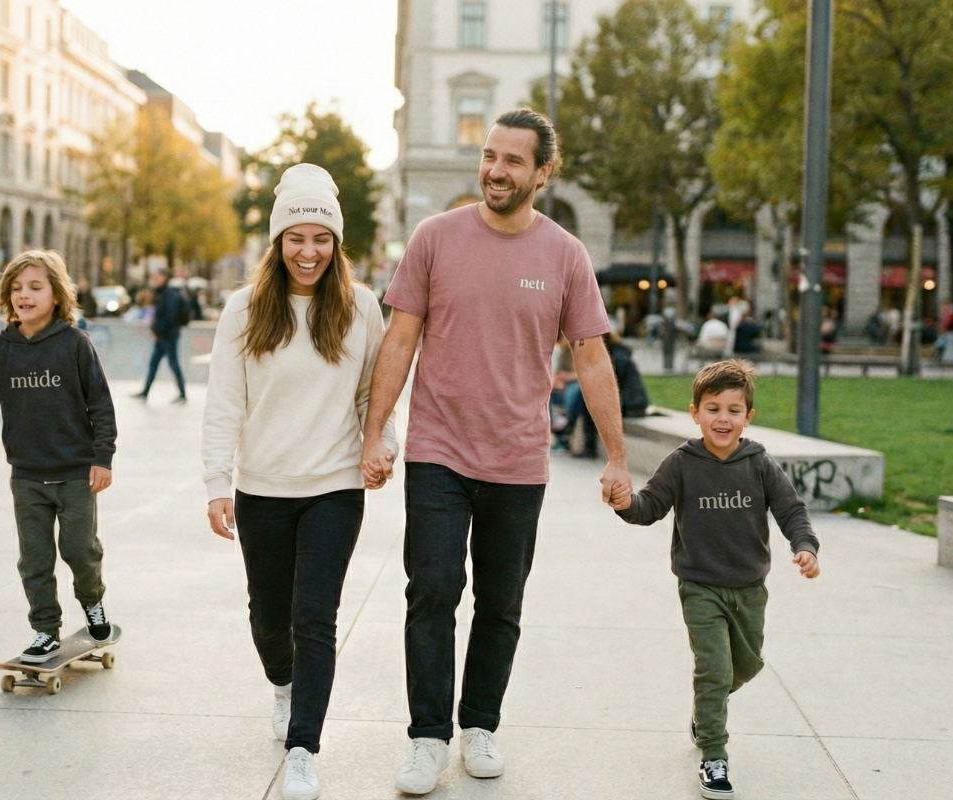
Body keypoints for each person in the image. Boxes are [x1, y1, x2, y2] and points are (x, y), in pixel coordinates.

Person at [359, 108, 632, 795]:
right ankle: (427, 738)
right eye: (489, 155)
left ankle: (480, 725)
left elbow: (591, 357)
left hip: (517, 458)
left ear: (543, 173)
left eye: (513, 160)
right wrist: (374, 431)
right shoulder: (435, 237)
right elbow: (400, 338)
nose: (496, 170)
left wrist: (618, 456)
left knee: (500, 603)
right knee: (431, 591)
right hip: (439, 451)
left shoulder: (565, 254)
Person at [201, 164, 398, 800]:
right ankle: (283, 686)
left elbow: (374, 394)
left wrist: (381, 444)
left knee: (315, 618)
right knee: (268, 618)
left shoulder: (360, 307)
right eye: (296, 238)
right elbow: (224, 402)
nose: (308, 252)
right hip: (262, 488)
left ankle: (303, 748)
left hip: (334, 488)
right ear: (277, 242)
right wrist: (217, 481)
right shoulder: (245, 308)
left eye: (320, 239)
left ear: (336, 241)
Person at [609, 360, 820, 800]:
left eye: (733, 410)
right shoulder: (682, 463)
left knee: (746, 665)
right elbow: (650, 507)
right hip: (699, 586)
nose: (723, 418)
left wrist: (805, 545)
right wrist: (625, 503)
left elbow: (791, 509)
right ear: (695, 413)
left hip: (749, 587)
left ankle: (706, 712)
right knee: (714, 669)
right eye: (713, 408)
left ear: (748, 416)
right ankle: (714, 755)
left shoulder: (758, 463)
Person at [0, 249, 118, 665]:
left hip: (76, 474)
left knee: (80, 550)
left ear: (56, 295)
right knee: (34, 560)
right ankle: (45, 631)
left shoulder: (75, 343)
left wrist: (103, 457)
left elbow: (100, 404)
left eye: (35, 287)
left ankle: (92, 602)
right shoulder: (3, 348)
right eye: (17, 288)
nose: (24, 295)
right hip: (27, 476)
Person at [132, 268, 187, 403]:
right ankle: (145, 391)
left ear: (164, 277)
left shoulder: (169, 295)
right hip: (162, 336)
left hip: (168, 336)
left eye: (157, 276)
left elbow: (170, 317)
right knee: (154, 364)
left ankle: (182, 394)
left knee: (173, 364)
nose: (154, 279)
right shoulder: (161, 293)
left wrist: (160, 331)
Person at [605, 330, 650, 418]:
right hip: (635, 402)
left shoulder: (617, 357)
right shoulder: (619, 352)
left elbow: (613, 383)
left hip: (631, 404)